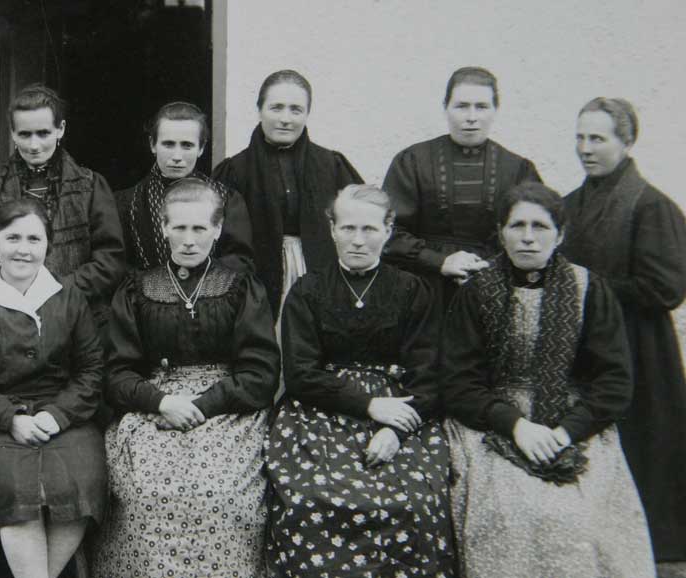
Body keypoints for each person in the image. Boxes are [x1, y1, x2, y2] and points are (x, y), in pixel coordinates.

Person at [442, 183, 655, 577]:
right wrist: (517, 426)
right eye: (516, 225)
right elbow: (457, 382)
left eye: (540, 226)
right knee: (510, 511)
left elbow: (614, 381)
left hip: (574, 422)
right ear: (501, 232)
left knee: (576, 518)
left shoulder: (589, 289)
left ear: (560, 235)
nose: (527, 236)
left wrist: (565, 432)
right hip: (493, 422)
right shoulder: (477, 291)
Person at [265, 184, 455, 577]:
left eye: (369, 229)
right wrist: (369, 406)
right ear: (331, 229)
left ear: (388, 230)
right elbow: (302, 374)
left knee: (416, 501)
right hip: (319, 411)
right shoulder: (308, 291)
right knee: (309, 499)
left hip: (403, 411)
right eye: (347, 228)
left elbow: (428, 374)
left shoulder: (412, 290)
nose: (357, 240)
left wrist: (397, 431)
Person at [94, 179, 278, 577]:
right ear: (163, 228)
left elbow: (260, 373)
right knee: (145, 494)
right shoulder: (139, 288)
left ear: (217, 230)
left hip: (227, 407)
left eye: (199, 229)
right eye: (179, 227)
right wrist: (159, 401)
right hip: (153, 406)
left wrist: (203, 405)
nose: (189, 240)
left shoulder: (240, 286)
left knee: (221, 495)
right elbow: (117, 372)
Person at [0, 199, 107, 578]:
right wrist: (9, 418)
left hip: (63, 418)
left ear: (48, 244)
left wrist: (58, 414)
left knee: (81, 477)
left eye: (34, 238)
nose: (23, 248)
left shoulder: (69, 296)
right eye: (12, 237)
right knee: (16, 488)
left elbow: (91, 370)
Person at [561, 97, 686, 564]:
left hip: (640, 350)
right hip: (585, 347)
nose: (585, 149)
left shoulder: (651, 206)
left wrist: (589, 286)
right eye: (579, 137)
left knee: (643, 454)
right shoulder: (569, 204)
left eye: (598, 138)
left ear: (627, 141)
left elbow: (665, 286)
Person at [0, 84, 125, 325]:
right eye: (24, 134)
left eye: (43, 133)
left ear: (60, 129)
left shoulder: (90, 186)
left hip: (76, 315)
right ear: (12, 133)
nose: (34, 145)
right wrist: (7, 297)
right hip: (5, 319)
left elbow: (110, 261)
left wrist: (56, 291)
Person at [382, 66, 541, 302]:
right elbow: (387, 230)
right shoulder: (413, 161)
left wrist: (488, 269)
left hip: (496, 289)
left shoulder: (518, 169)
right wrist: (440, 261)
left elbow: (534, 233)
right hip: (421, 288)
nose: (471, 117)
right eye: (462, 106)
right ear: (446, 108)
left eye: (482, 107)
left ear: (495, 110)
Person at [213, 70, 362, 318]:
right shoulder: (234, 170)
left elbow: (360, 220)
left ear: (307, 114)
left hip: (320, 272)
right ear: (259, 109)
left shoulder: (331, 165)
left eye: (296, 109)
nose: (285, 118)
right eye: (276, 107)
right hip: (257, 277)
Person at [114, 101, 254, 274]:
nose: (177, 156)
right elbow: (118, 265)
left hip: (211, 298)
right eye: (168, 144)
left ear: (201, 148)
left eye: (187, 145)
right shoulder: (127, 203)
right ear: (152, 144)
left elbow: (239, 260)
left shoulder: (227, 199)